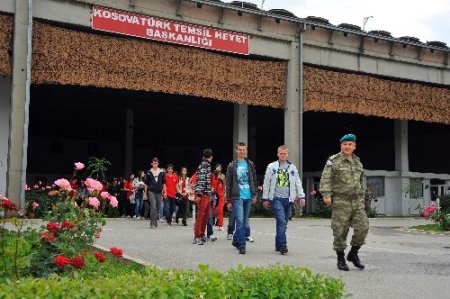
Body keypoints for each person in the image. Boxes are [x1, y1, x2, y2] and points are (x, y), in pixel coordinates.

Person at [319, 133, 369, 271]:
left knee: (363, 227)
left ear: (354, 146)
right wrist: (326, 195)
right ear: (341, 145)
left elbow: (360, 182)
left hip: (357, 201)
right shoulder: (333, 160)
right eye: (345, 144)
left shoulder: (358, 162)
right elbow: (326, 178)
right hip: (341, 201)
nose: (347, 147)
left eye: (350, 144)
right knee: (340, 231)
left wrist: (363, 198)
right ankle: (340, 259)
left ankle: (353, 254)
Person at [262, 145, 305, 255]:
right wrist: (265, 198)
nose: (283, 155)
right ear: (278, 154)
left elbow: (298, 182)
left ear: (287, 154)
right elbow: (266, 183)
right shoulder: (272, 167)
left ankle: (277, 244)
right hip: (276, 198)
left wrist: (301, 196)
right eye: (281, 153)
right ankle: (283, 245)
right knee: (281, 221)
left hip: (288, 199)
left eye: (285, 153)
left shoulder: (292, 168)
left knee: (283, 223)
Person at [226, 142, 258, 254]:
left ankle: (236, 240)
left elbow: (254, 179)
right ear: (236, 150)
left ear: (246, 150)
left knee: (244, 222)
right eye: (240, 150)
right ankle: (242, 245)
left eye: (244, 150)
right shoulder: (231, 166)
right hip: (237, 196)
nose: (242, 152)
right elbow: (228, 184)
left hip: (248, 196)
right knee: (239, 221)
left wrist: (255, 194)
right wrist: (228, 201)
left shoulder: (250, 164)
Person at [193, 148, 214, 245]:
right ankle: (197, 236)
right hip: (203, 194)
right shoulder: (204, 165)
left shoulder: (204, 165)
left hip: (206, 194)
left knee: (205, 216)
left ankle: (201, 234)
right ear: (211, 157)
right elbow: (201, 180)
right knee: (201, 216)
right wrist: (199, 194)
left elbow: (203, 180)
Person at [145, 157, 165, 228]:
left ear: (158, 163)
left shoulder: (162, 172)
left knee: (157, 207)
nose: (155, 164)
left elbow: (164, 183)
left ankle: (155, 221)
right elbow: (146, 183)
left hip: (159, 192)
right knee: (153, 206)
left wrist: (164, 192)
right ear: (151, 164)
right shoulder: (148, 172)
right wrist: (145, 193)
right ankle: (152, 223)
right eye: (154, 163)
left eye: (156, 163)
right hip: (151, 191)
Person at [212, 164, 226, 231]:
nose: (218, 168)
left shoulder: (223, 175)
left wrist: (225, 194)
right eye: (217, 167)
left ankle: (220, 225)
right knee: (212, 210)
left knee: (220, 210)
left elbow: (224, 184)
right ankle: (211, 222)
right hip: (214, 194)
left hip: (221, 195)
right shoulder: (213, 175)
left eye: (220, 167)